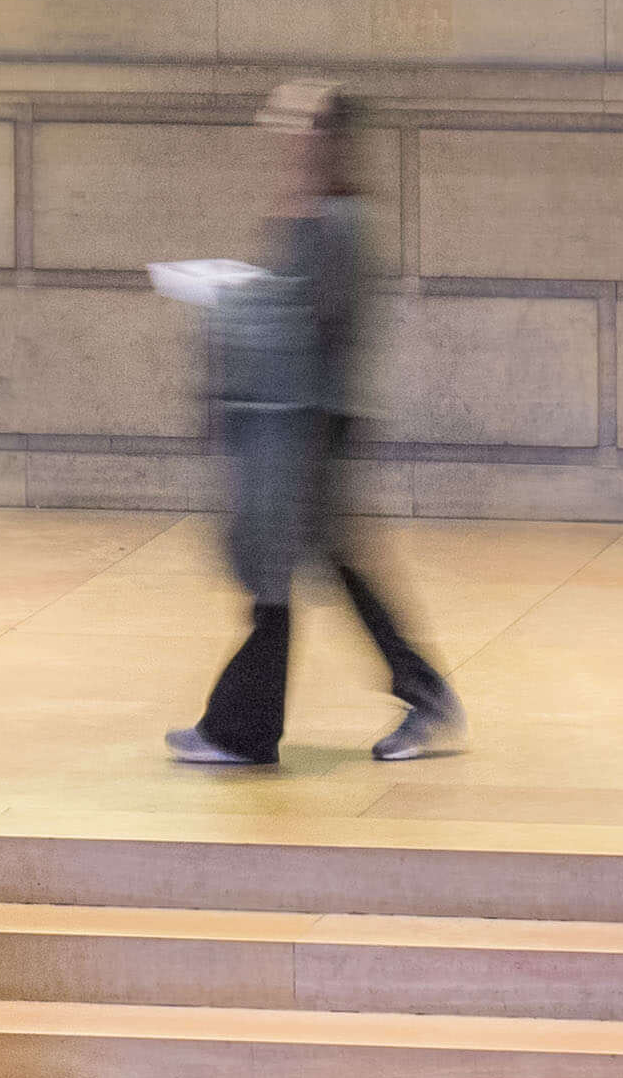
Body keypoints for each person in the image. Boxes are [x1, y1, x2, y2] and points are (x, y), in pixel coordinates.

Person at [157, 83, 461, 770]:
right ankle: (418, 697)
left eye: (296, 129)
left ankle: (244, 728)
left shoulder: (335, 221)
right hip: (303, 420)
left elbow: (310, 324)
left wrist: (227, 298)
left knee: (277, 574)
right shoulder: (317, 214)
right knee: (321, 568)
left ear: (323, 141)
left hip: (310, 425)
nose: (285, 141)